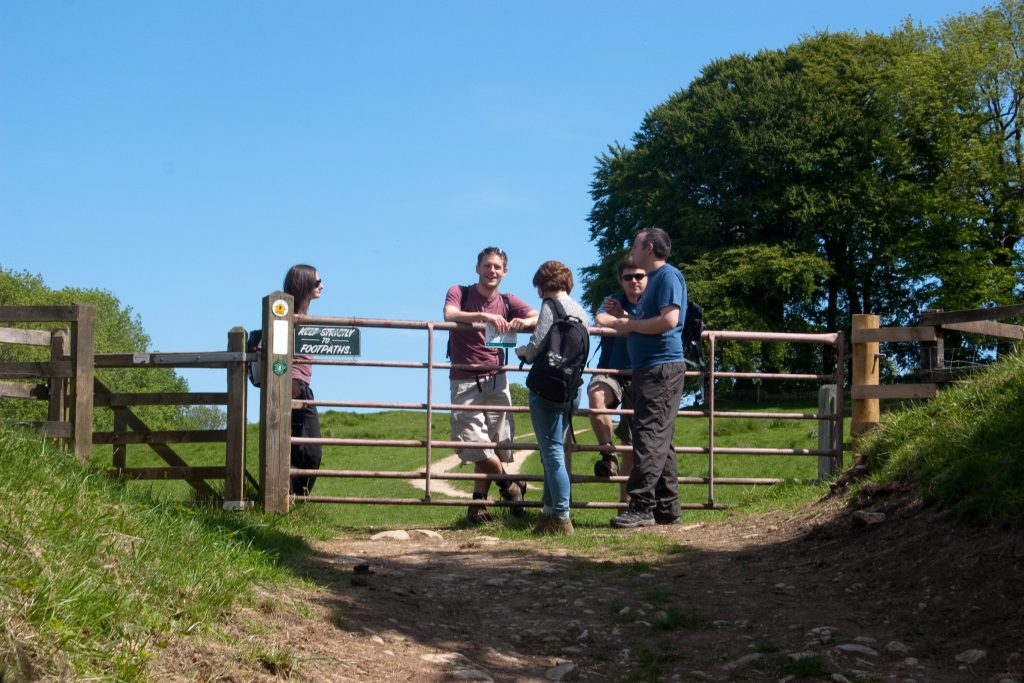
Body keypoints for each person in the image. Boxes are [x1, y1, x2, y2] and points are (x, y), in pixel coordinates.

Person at [444, 247, 538, 524]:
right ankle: (510, 485)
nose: (492, 271)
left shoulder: (508, 300)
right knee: (474, 442)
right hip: (464, 380)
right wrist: (483, 317)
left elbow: (537, 316)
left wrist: (523, 322)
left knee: (496, 445)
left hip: (498, 380)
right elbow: (450, 314)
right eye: (487, 266)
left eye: (497, 267)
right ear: (477, 268)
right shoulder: (460, 292)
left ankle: (478, 507)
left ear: (505, 271)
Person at [605, 228, 687, 528]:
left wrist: (631, 327)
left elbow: (669, 320)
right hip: (652, 368)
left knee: (650, 436)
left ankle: (640, 506)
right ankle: (667, 508)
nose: (632, 251)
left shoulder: (667, 277)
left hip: (660, 367)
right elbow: (650, 319)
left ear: (649, 248)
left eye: (635, 245)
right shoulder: (656, 281)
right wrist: (630, 320)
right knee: (657, 437)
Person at [515, 261, 590, 536]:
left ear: (543, 284)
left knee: (553, 455)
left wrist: (522, 351)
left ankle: (561, 516)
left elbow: (536, 347)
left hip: (546, 389)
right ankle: (547, 514)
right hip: (571, 388)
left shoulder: (550, 307)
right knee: (552, 454)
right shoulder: (581, 312)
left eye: (538, 287)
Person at [589, 258, 647, 503]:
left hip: (642, 374)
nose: (633, 281)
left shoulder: (653, 302)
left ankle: (625, 507)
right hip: (611, 370)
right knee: (596, 395)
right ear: (620, 280)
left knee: (631, 448)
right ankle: (607, 453)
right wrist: (629, 324)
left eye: (639, 276)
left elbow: (663, 324)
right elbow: (600, 319)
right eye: (628, 277)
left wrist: (626, 322)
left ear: (647, 278)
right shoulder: (613, 299)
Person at [284, 264, 325, 496]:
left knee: (309, 450)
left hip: (303, 387)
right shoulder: (285, 315)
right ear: (303, 283)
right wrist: (290, 383)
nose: (322, 286)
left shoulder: (303, 317)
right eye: (317, 282)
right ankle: (289, 499)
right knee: (299, 448)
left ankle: (297, 500)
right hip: (292, 387)